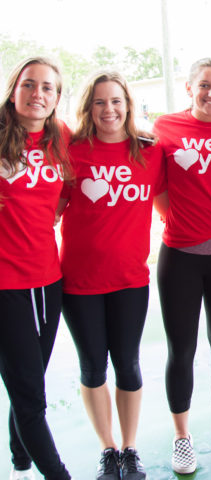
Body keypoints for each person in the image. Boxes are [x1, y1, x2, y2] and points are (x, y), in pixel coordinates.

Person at [58, 71, 164, 480]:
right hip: (80, 282)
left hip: (130, 281)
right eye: (100, 102)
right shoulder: (71, 152)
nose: (109, 109)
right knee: (92, 368)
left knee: (129, 365)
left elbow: (171, 204)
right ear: (88, 108)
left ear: (128, 105)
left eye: (116, 101)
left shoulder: (149, 153)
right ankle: (108, 450)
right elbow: (48, 207)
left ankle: (130, 449)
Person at [152, 57, 211, 475]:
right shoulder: (166, 128)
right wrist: (186, 223)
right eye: (204, 86)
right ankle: (182, 436)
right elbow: (159, 190)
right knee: (182, 349)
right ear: (189, 88)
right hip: (180, 258)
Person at [0, 57, 72, 480]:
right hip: (6, 287)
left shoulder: (60, 137)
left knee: (27, 380)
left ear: (56, 98)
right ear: (14, 90)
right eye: (29, 85)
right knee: (31, 395)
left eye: (47, 88)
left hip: (48, 280)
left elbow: (63, 194)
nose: (37, 94)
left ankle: (20, 459)